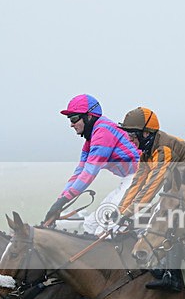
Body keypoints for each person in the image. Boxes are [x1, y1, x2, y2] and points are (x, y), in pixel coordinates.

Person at [117, 107, 185, 292]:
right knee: (160, 214)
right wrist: (120, 212)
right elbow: (137, 183)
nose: (129, 139)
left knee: (166, 218)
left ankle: (173, 276)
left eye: (132, 135)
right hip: (183, 186)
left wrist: (128, 213)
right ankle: (166, 268)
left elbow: (152, 186)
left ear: (146, 133)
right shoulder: (147, 152)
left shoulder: (163, 149)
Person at [44, 94, 140, 228]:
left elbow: (89, 173)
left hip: (141, 176)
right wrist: (59, 202)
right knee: (90, 225)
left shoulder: (103, 132)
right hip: (129, 178)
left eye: (74, 119)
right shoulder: (90, 141)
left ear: (89, 116)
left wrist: (64, 200)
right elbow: (79, 172)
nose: (71, 124)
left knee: (107, 225)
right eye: (70, 120)